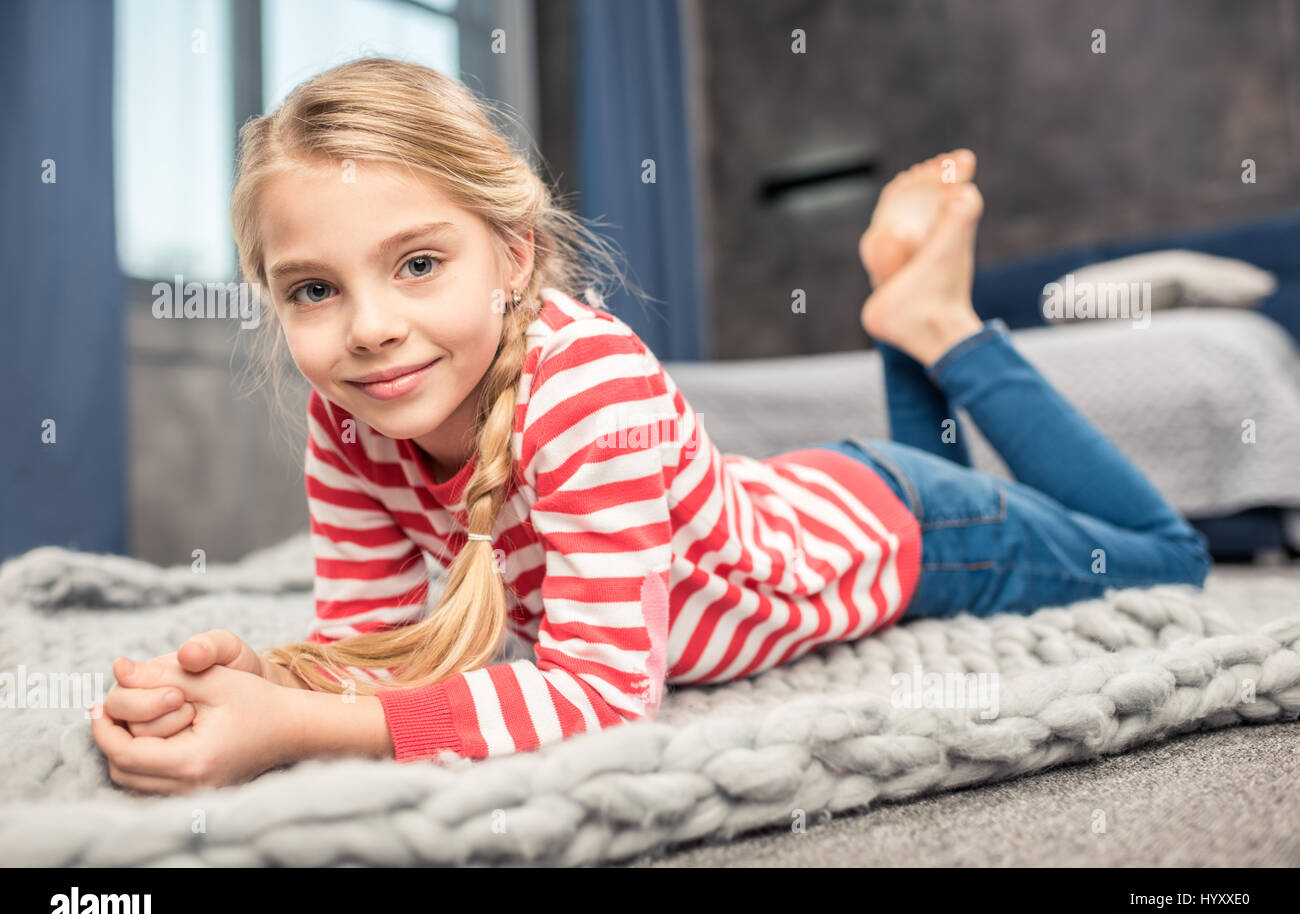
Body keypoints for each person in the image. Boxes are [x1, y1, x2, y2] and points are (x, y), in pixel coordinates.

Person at [91, 59, 1209, 793]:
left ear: (514, 255)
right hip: (820, 488)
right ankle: (907, 317)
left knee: (1167, 559)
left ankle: (942, 328)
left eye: (420, 264)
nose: (369, 329)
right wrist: (271, 685)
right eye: (312, 291)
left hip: (910, 535)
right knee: (920, 465)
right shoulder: (350, 422)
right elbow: (378, 654)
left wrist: (299, 732)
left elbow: (601, 701)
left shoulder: (587, 392)